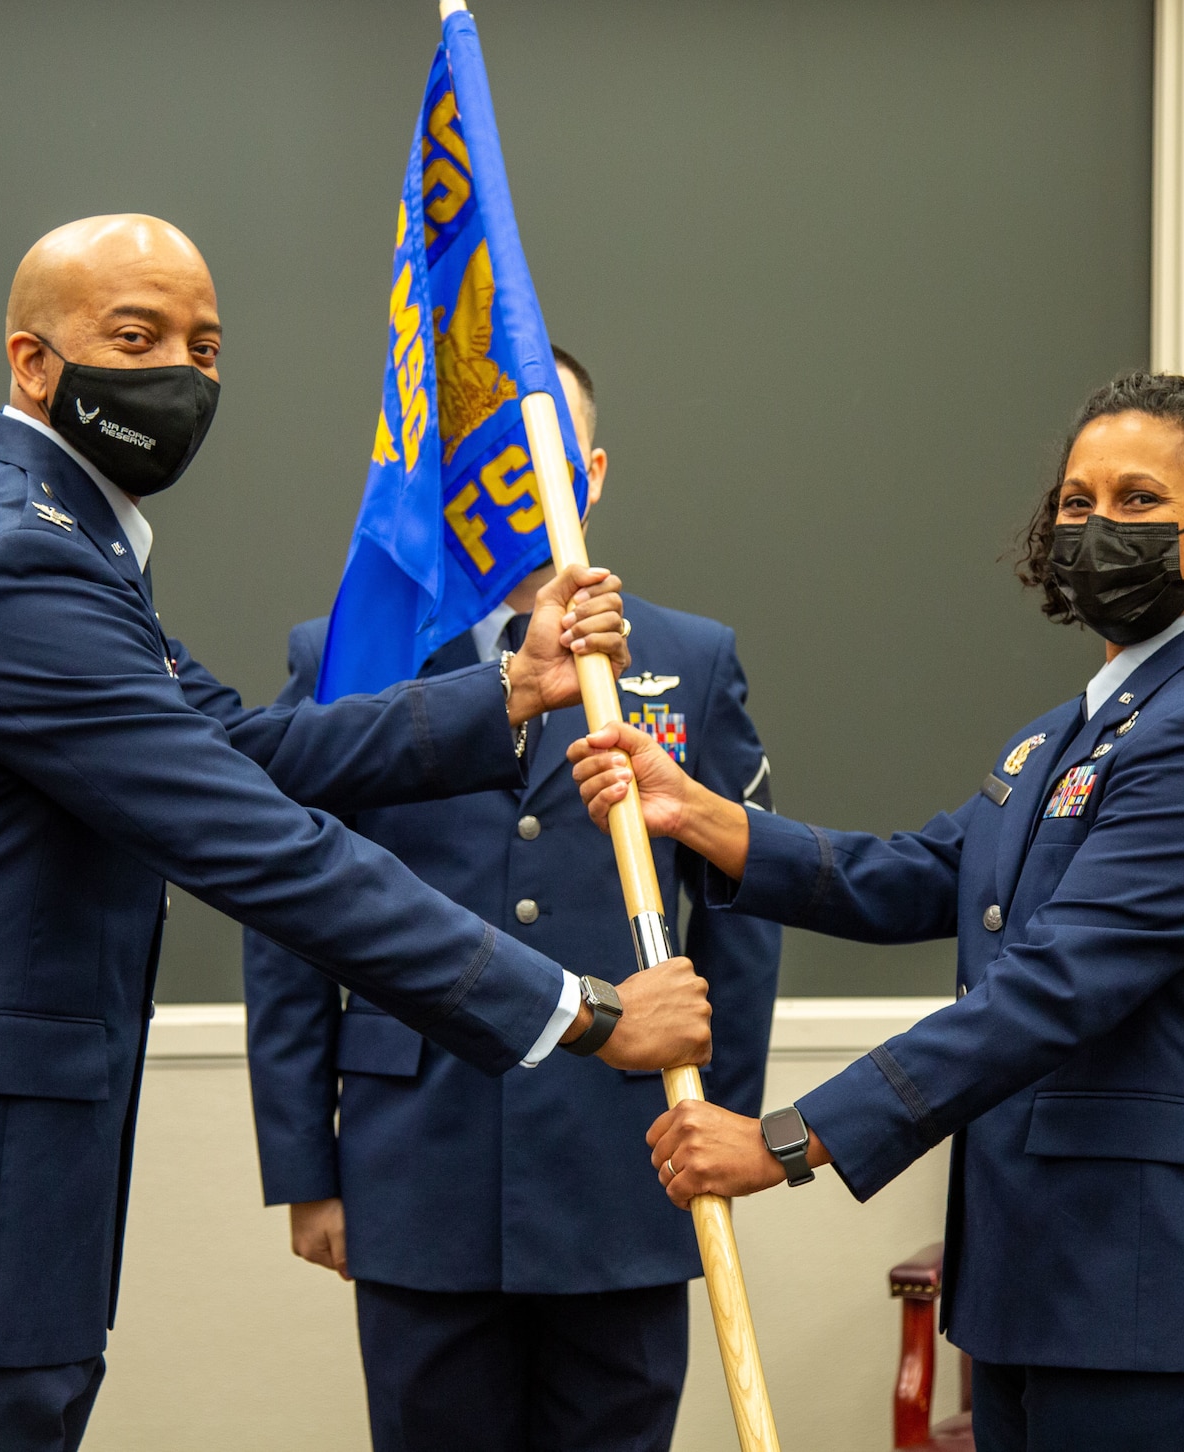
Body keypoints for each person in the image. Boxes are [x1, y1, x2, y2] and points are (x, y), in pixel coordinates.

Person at [0, 215, 713, 1452]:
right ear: (32, 362)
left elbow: (242, 753)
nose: (180, 373)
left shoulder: (66, 549)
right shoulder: (21, 565)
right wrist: (586, 1015)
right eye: (136, 337)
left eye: (205, 344)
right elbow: (263, 844)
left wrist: (507, 690)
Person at [572, 373, 1184, 1452]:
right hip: (1039, 1296)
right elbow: (928, 874)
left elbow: (1050, 990)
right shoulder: (1059, 737)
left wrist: (788, 1142)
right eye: (1075, 504)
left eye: (1135, 502)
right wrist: (702, 818)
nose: (1095, 527)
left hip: (1167, 1311)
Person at [244, 346, 781, 1452]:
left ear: (587, 474)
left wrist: (719, 1121)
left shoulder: (690, 660)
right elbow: (285, 914)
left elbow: (739, 908)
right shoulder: (352, 660)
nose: (517, 484)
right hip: (414, 1163)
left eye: (541, 457)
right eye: (487, 458)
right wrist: (305, 1168)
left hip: (625, 1168)